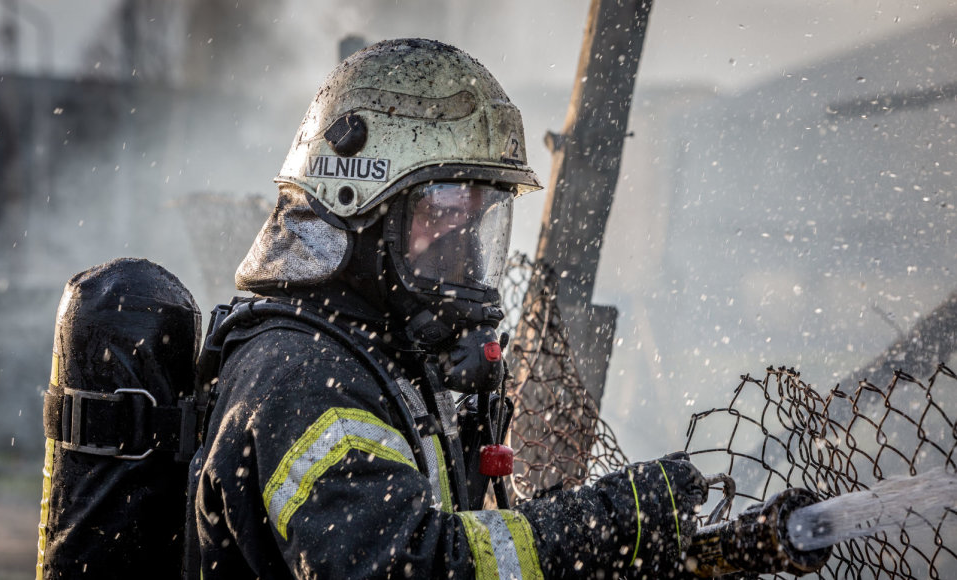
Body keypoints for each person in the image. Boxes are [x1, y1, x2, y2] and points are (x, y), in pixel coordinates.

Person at [191, 38, 708, 579]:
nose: (460, 251)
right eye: (441, 211)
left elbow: (456, 544)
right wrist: (604, 526)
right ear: (361, 210)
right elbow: (414, 565)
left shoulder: (383, 362)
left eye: (479, 220)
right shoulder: (302, 377)